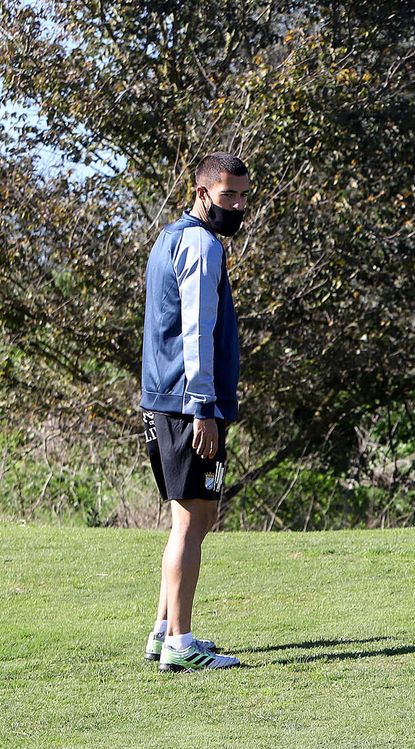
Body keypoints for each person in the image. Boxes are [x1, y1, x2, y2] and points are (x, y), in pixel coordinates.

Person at [140, 152, 252, 671]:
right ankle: (181, 646)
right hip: (188, 404)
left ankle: (164, 630)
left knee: (196, 515)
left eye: (244, 197)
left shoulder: (168, 237)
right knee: (192, 520)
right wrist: (203, 407)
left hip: (164, 399)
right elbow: (195, 332)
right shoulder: (202, 244)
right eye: (228, 196)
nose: (237, 207)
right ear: (202, 192)